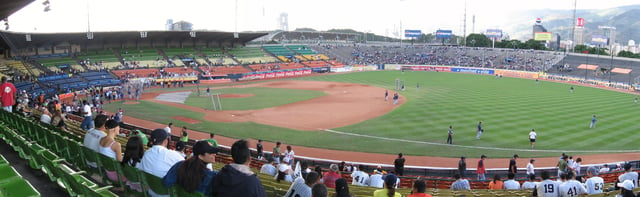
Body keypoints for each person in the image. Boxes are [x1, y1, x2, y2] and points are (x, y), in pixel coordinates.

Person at [137, 129, 185, 196]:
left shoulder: (146, 154)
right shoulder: (174, 155)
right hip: (167, 194)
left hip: (151, 191)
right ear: (165, 141)